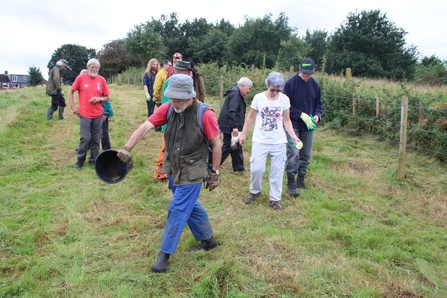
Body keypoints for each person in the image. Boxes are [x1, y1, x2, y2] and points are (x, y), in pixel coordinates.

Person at [116, 74, 222, 273]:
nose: (173, 103)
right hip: (173, 168)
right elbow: (146, 125)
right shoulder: (168, 108)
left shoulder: (205, 114)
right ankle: (209, 242)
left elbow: (217, 144)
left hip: (193, 170)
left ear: (190, 96)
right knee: (190, 206)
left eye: (177, 99)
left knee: (177, 209)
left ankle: (163, 257)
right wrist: (127, 147)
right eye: (171, 98)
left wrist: (215, 172)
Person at [239, 72, 300, 211]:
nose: (274, 93)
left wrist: (293, 136)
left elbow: (286, 120)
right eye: (272, 89)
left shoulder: (284, 99)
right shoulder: (258, 98)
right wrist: (243, 134)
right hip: (260, 140)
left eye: (278, 90)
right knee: (257, 169)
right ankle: (255, 191)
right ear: (267, 85)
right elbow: (250, 118)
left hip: (278, 141)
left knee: (277, 171)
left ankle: (275, 199)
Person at [283, 58, 323, 196]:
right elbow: (285, 106)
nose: (306, 75)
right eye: (303, 73)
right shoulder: (290, 84)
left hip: (308, 126)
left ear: (313, 71)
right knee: (294, 153)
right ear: (300, 69)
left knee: (306, 154)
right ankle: (291, 182)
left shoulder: (315, 85)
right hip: (292, 125)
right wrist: (300, 114)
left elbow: (318, 103)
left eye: (308, 73)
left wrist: (317, 115)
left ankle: (301, 179)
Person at [153, 60, 195, 180]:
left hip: (174, 120)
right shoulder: (173, 82)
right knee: (166, 146)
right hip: (170, 121)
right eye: (188, 72)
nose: (189, 75)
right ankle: (159, 173)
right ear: (181, 71)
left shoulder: (174, 81)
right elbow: (169, 105)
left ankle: (171, 170)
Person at [68, 59, 110, 168]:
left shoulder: (101, 80)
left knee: (96, 139)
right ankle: (80, 161)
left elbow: (106, 97)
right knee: (85, 138)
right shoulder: (81, 78)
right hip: (85, 114)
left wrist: (99, 98)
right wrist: (73, 106)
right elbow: (71, 91)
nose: (94, 69)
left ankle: (94, 160)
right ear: (88, 67)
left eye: (96, 67)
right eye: (92, 67)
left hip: (98, 114)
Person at [218, 77, 253, 172]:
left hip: (231, 124)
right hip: (229, 125)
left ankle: (238, 167)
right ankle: (213, 165)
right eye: (248, 88)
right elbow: (232, 111)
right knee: (228, 146)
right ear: (244, 86)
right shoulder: (235, 94)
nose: (248, 91)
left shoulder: (236, 93)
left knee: (236, 145)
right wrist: (234, 126)